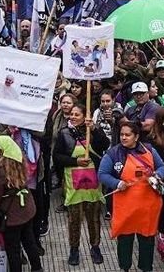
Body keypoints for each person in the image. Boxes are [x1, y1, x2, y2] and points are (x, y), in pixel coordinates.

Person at [99, 120, 164, 272]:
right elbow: (102, 174)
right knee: (124, 242)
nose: (124, 138)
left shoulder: (149, 150)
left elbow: (163, 167)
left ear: (136, 137)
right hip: (125, 209)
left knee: (147, 241)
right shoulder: (113, 153)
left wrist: (157, 175)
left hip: (148, 207)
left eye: (128, 135)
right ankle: (124, 268)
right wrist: (117, 183)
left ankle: (146, 268)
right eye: (122, 135)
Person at [55, 102, 109, 266]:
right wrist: (75, 161)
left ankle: (95, 246)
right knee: (74, 219)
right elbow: (56, 157)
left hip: (93, 183)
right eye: (71, 114)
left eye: (77, 114)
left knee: (94, 218)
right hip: (73, 184)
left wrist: (94, 130)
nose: (73, 117)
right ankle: (74, 249)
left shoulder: (92, 130)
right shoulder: (63, 133)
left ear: (85, 116)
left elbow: (104, 145)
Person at [0, 135, 43, 272]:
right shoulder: (19, 161)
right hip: (26, 210)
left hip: (12, 216)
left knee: (13, 251)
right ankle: (37, 268)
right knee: (30, 242)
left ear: (0, 150)